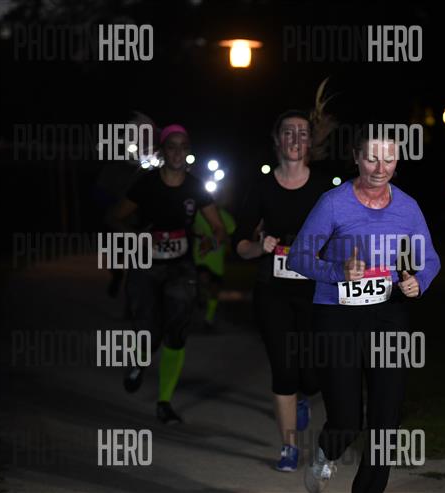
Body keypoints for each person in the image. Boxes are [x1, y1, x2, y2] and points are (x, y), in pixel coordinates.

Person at [287, 123, 441, 493]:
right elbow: (298, 257)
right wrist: (337, 271)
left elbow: (430, 259)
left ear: (398, 161)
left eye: (389, 159)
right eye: (372, 158)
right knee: (346, 419)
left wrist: (418, 281)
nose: (380, 167)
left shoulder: (407, 207)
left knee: (386, 418)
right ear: (356, 158)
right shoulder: (334, 203)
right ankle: (325, 455)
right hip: (336, 313)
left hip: (387, 314)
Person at [234, 110, 330, 471]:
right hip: (272, 291)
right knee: (284, 370)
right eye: (288, 132)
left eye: (302, 133)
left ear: (310, 141)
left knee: (312, 376)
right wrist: (259, 246)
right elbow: (239, 244)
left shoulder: (323, 188)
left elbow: (343, 234)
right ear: (277, 139)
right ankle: (289, 447)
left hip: (314, 292)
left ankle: (304, 397)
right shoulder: (261, 187)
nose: (295, 139)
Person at [111, 124, 227, 424]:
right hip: (145, 266)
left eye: (183, 147)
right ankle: (138, 362)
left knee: (176, 332)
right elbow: (115, 218)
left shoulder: (195, 187)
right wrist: (138, 236)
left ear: (189, 152)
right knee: (148, 329)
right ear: (163, 151)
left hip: (181, 267)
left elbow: (218, 228)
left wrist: (211, 241)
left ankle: (164, 402)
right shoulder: (146, 184)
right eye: (172, 147)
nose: (178, 152)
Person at [193, 199, 236, 330]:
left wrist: (217, 240)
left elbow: (231, 238)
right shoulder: (197, 213)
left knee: (214, 290)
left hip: (216, 261)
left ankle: (209, 318)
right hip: (199, 258)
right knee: (201, 280)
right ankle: (198, 308)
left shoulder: (226, 217)